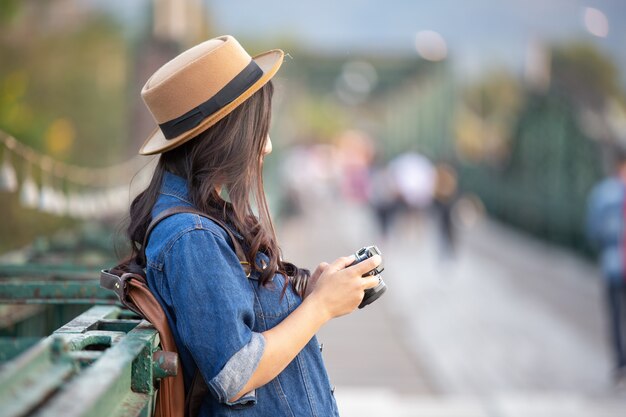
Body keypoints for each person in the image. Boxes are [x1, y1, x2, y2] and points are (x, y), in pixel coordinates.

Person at [124, 35, 382, 417]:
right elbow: (235, 373)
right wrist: (320, 307)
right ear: (227, 134)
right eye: (259, 129)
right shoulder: (192, 236)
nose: (267, 147)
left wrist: (307, 295)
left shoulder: (201, 219)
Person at [586, 146, 626, 387]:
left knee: (615, 316)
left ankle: (621, 364)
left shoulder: (602, 193)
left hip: (612, 264)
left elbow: (593, 230)